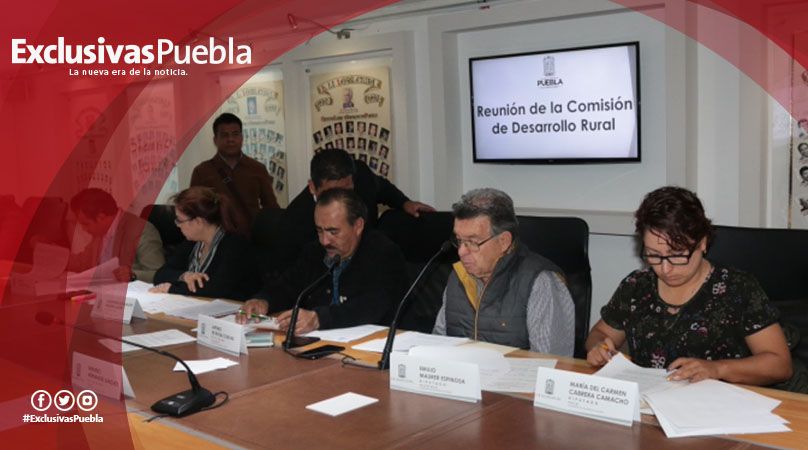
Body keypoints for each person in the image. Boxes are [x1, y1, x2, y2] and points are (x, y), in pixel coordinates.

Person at [585, 186, 793, 386]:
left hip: (719, 403)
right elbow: (600, 334)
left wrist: (717, 369)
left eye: (677, 255)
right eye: (654, 255)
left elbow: (780, 365)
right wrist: (599, 347)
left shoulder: (738, 288)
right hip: (650, 401)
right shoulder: (636, 286)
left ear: (702, 243)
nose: (665, 269)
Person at [238, 189, 407, 333]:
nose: (324, 241)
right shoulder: (314, 251)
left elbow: (371, 306)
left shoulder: (384, 253)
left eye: (333, 232)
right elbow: (289, 285)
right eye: (319, 231)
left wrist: (320, 319)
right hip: (321, 343)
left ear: (358, 226)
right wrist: (264, 300)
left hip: (373, 345)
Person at [432, 188, 575, 355]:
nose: (461, 252)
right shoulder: (459, 275)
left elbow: (551, 362)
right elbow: (438, 344)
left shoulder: (540, 283)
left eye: (472, 242)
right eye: (459, 240)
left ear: (503, 241)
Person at [265, 148, 434, 273]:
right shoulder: (293, 223)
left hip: (372, 264)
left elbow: (383, 188)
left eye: (347, 191)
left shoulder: (362, 176)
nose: (341, 199)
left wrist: (405, 203)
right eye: (331, 193)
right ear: (312, 187)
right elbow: (289, 278)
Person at [151, 187, 259, 300]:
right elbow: (159, 275)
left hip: (232, 307)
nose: (177, 225)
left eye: (179, 220)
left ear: (198, 221)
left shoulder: (234, 245)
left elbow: (217, 289)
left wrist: (172, 289)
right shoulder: (191, 243)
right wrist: (184, 276)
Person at [190, 113, 279, 230]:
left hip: (252, 236)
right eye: (224, 135)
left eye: (235, 134)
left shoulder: (257, 169)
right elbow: (193, 210)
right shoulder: (202, 171)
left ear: (242, 138)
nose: (230, 139)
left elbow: (271, 208)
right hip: (217, 237)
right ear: (215, 140)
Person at [68, 188, 164, 283]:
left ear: (100, 217)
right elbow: (83, 262)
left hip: (128, 291)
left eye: (85, 224)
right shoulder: (100, 232)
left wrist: (133, 275)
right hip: (101, 289)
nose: (84, 229)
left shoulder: (141, 231)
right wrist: (59, 259)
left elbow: (161, 274)